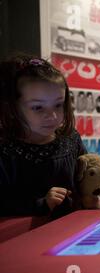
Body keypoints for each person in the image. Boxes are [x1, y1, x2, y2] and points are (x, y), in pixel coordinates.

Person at [0, 54, 86, 219]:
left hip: (71, 234)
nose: (52, 116)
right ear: (13, 107)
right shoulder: (5, 151)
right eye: (38, 107)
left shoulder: (71, 139)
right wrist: (41, 204)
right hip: (25, 239)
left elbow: (85, 179)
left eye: (58, 104)